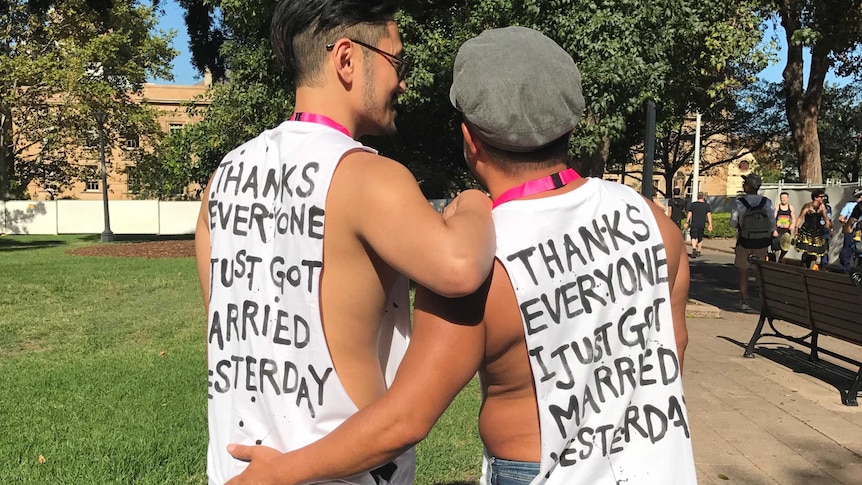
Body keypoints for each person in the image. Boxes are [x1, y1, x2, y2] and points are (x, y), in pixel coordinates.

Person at [223, 26, 696, 485]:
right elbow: (668, 350)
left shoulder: (487, 265)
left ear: (470, 141)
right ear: (570, 123)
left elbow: (402, 421)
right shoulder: (656, 224)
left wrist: (282, 471)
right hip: (655, 463)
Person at [194, 1, 496, 484]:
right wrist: (475, 202)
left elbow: (226, 330)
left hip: (237, 469)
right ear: (347, 59)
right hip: (341, 470)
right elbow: (461, 266)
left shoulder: (224, 176)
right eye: (398, 61)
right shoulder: (369, 176)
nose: (403, 81)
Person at [730, 173, 775, 310]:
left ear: (749, 186)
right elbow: (772, 221)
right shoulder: (766, 202)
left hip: (745, 241)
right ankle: (763, 300)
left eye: (745, 183)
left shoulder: (740, 202)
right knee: (759, 271)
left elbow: (733, 222)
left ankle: (744, 301)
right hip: (762, 241)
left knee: (743, 271)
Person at [794, 189, 832, 269]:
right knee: (807, 250)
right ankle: (803, 265)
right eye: (820, 197)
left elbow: (826, 219)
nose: (822, 199)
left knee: (815, 252)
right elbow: (800, 217)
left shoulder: (822, 207)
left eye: (823, 197)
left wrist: (828, 226)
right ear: (815, 198)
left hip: (817, 231)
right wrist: (796, 228)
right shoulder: (807, 206)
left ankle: (810, 269)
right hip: (807, 230)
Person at [838, 188, 862, 271]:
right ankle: (846, 269)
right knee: (849, 250)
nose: (860, 198)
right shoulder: (855, 207)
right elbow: (846, 220)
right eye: (858, 196)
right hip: (855, 232)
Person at [685, 191, 712, 258]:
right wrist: (710, 224)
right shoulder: (706, 205)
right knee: (700, 237)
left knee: (693, 236)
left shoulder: (693, 204)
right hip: (702, 223)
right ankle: (699, 251)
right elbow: (709, 215)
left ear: (697, 197)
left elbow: (689, 213)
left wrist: (687, 221)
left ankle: (694, 248)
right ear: (703, 197)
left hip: (694, 223)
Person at [773, 191, 795, 262]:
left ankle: (781, 257)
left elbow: (794, 218)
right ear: (780, 199)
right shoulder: (777, 207)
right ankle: (776, 260)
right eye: (782, 198)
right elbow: (773, 219)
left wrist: (793, 224)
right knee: (777, 246)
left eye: (785, 197)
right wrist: (774, 230)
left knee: (786, 247)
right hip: (778, 229)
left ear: (788, 198)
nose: (784, 199)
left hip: (786, 230)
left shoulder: (790, 208)